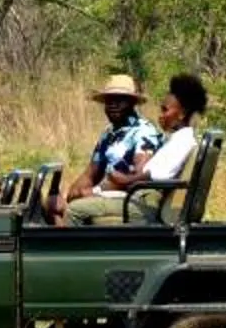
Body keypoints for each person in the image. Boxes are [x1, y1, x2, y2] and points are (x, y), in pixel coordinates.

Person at [66, 73, 207, 224]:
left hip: (144, 201)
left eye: (165, 110)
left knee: (74, 211)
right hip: (139, 195)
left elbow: (157, 176)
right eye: (109, 100)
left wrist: (123, 180)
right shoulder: (176, 139)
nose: (160, 116)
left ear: (182, 114)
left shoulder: (181, 141)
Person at [63, 72, 162, 206]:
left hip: (130, 197)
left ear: (132, 102)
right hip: (106, 193)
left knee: (76, 207)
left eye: (119, 100)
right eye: (109, 101)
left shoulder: (143, 132)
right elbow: (90, 174)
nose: (113, 105)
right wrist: (72, 193)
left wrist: (94, 191)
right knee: (56, 206)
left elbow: (139, 178)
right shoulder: (109, 133)